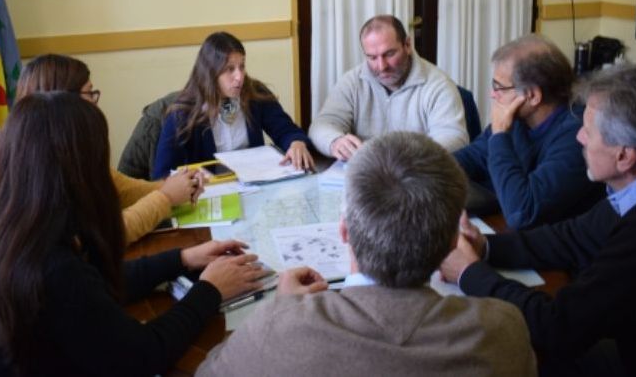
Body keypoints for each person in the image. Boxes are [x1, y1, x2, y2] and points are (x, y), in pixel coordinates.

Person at [0, 92, 268, 376]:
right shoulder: (52, 269)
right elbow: (143, 355)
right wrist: (210, 290)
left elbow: (90, 285)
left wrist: (181, 259)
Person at [197, 132, 536, 377]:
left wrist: (282, 309)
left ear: (343, 231)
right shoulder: (503, 331)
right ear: (453, 242)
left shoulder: (280, 327)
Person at [440, 64, 636, 376]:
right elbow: (572, 237)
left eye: (588, 131)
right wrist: (485, 246)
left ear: (624, 156)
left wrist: (468, 272)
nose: (578, 136)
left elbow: (557, 328)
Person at [16, 54, 202, 244]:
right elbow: (99, 240)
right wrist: (166, 197)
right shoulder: (42, 172)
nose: (96, 103)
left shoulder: (71, 150)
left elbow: (119, 189)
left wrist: (177, 185)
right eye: (90, 93)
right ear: (62, 102)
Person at [454, 34, 604, 228]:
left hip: (557, 249)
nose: (493, 94)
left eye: (499, 87)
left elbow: (522, 212)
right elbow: (472, 157)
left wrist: (500, 135)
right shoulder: (519, 120)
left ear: (532, 96)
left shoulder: (578, 136)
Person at [152, 32, 313, 178]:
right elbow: (162, 175)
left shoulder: (254, 93)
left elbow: (286, 130)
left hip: (253, 186)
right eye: (230, 69)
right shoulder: (182, 113)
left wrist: (296, 143)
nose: (239, 77)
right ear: (210, 72)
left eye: (242, 66)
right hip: (210, 195)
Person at [308, 15, 468, 161]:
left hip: (415, 178)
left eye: (389, 54)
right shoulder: (352, 81)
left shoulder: (438, 85)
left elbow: (455, 138)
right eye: (372, 57)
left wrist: (402, 156)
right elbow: (321, 125)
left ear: (407, 45)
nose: (381, 66)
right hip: (365, 179)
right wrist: (335, 141)